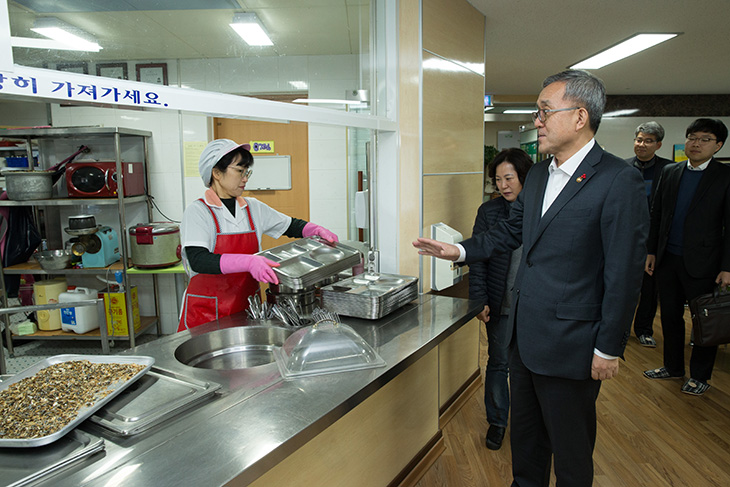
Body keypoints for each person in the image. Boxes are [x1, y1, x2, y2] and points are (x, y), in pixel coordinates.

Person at [413, 69, 648, 486]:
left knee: (570, 452)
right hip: (523, 335)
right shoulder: (538, 175)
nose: (536, 121)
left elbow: (624, 271)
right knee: (527, 444)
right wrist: (461, 250)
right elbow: (509, 232)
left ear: (579, 116)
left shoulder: (617, 179)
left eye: (543, 112)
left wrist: (609, 347)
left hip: (573, 342)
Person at [178, 139, 338, 331]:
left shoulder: (252, 207)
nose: (245, 178)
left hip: (245, 309)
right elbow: (198, 260)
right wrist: (248, 262)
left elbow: (290, 225)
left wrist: (315, 230)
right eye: (239, 170)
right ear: (217, 173)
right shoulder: (198, 212)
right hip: (206, 314)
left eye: (247, 171)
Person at [643, 118, 730, 396]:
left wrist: (727, 267)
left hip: (704, 262)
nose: (696, 143)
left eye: (704, 139)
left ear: (718, 145)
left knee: (703, 319)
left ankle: (700, 375)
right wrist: (652, 250)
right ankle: (673, 367)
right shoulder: (670, 172)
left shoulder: (724, 177)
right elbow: (657, 215)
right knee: (669, 315)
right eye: (692, 137)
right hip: (668, 258)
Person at [469, 148, 532, 451]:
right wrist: (480, 298)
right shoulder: (489, 212)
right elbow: (478, 258)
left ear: (524, 177)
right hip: (501, 303)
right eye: (498, 180)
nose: (504, 185)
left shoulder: (542, 210)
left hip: (535, 307)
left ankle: (529, 423)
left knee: (531, 367)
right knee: (499, 362)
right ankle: (498, 421)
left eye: (510, 178)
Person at [626, 121, 674, 348]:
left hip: (652, 239)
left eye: (647, 141)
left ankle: (643, 329)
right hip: (625, 235)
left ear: (658, 144)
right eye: (639, 139)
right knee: (622, 287)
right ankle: (620, 330)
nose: (641, 144)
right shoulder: (622, 167)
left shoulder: (669, 170)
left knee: (648, 289)